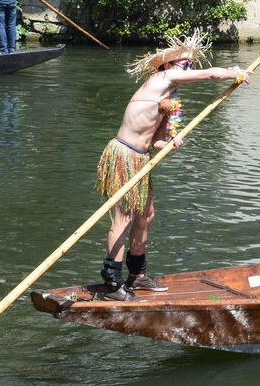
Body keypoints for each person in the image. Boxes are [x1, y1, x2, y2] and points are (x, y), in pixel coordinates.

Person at [97, 32, 251, 300]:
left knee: (146, 217)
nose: (189, 69)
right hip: (123, 156)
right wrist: (235, 72)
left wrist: (168, 142)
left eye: (191, 65)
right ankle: (112, 282)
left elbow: (155, 141)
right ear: (168, 65)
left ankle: (137, 276)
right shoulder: (161, 78)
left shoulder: (169, 98)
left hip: (140, 159)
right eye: (185, 64)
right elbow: (212, 75)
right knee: (123, 219)